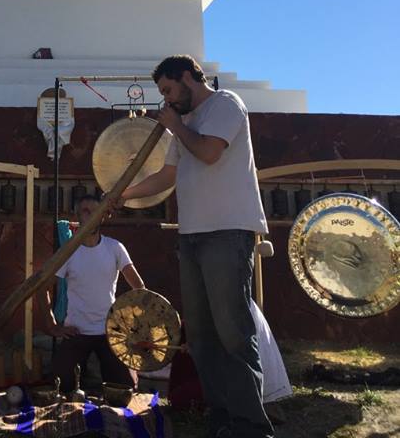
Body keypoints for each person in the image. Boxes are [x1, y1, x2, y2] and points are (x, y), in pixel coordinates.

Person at [120, 55, 272, 438]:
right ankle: (221, 417)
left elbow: (208, 153)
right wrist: (121, 195)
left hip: (227, 232)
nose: (167, 100)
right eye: (163, 95)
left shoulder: (226, 105)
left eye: (169, 90)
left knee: (232, 331)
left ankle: (251, 424)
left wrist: (174, 127)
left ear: (187, 76)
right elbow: (167, 176)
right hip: (191, 236)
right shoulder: (184, 123)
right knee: (202, 336)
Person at [39, 193, 144, 393]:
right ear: (77, 215)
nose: (91, 216)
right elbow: (41, 286)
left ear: (103, 216)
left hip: (109, 330)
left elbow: (139, 288)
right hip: (76, 331)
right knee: (60, 385)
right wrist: (52, 325)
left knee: (126, 387)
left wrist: (131, 325)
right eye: (86, 211)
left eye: (96, 211)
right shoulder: (68, 252)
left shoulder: (115, 248)